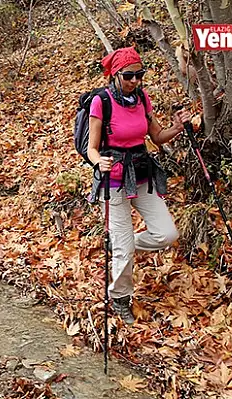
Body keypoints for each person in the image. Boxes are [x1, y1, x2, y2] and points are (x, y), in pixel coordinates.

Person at [87, 47, 191, 325]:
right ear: (115, 74)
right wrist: (99, 163)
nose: (135, 80)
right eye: (129, 75)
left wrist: (178, 127)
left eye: (139, 74)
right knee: (122, 248)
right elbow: (91, 148)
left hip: (142, 175)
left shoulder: (142, 98)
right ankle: (120, 297)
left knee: (166, 234)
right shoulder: (101, 102)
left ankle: (123, 248)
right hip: (114, 181)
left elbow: (157, 136)